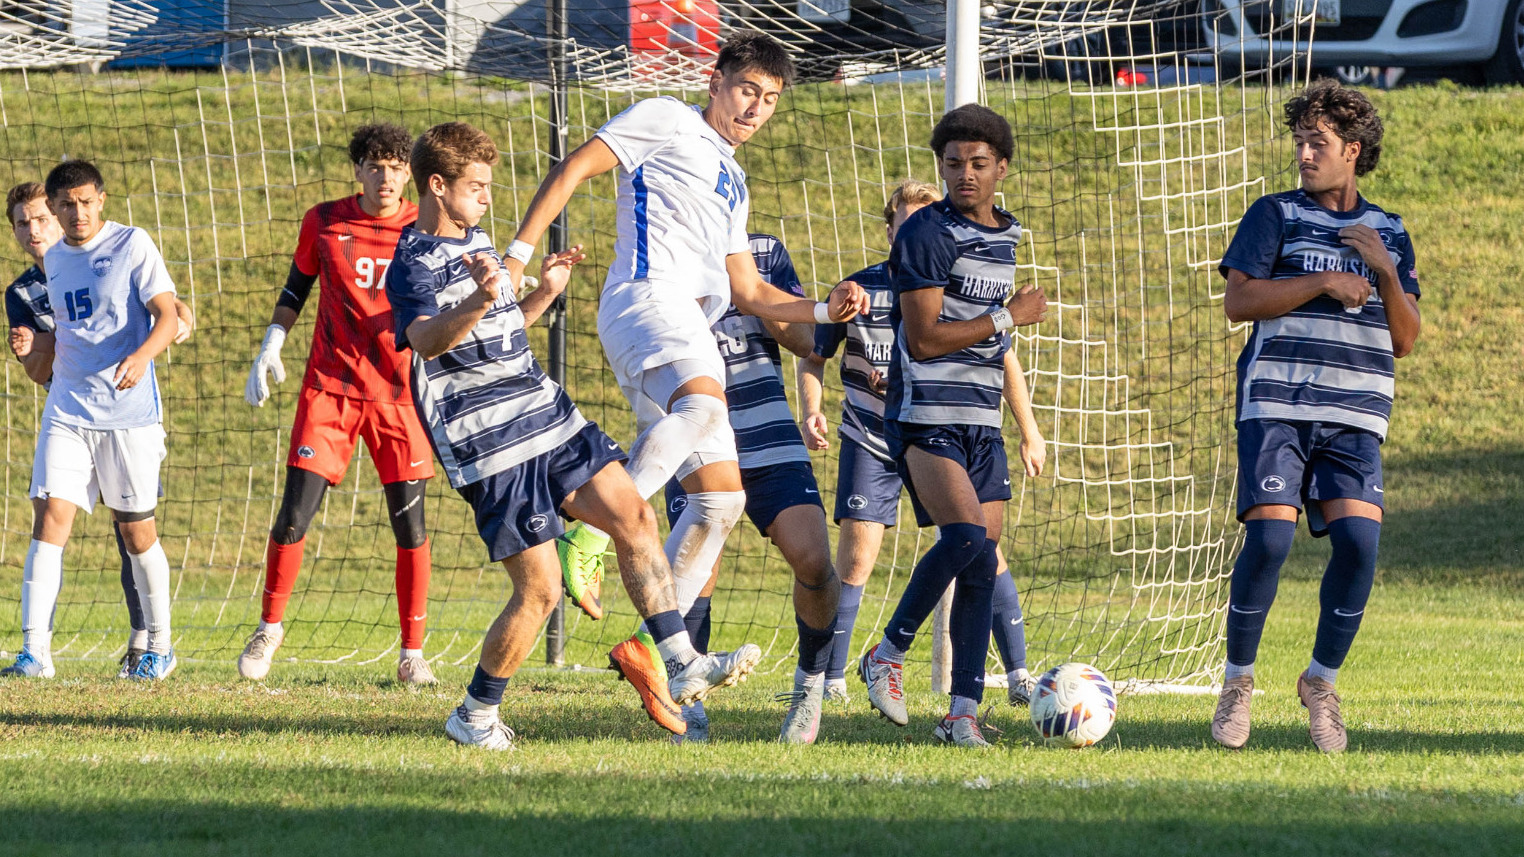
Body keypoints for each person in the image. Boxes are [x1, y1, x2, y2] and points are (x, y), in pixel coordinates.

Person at [494, 31, 864, 683]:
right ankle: (592, 531)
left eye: (770, 99)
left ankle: (670, 656)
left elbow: (749, 290)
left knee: (720, 500)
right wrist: (518, 257)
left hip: (680, 324)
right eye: (747, 89)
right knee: (703, 400)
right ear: (715, 82)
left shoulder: (734, 178)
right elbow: (576, 166)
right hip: (646, 299)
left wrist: (822, 311)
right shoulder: (667, 118)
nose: (756, 108)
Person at [385, 122, 760, 747]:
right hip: (491, 445)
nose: (486, 199)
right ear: (436, 186)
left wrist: (540, 297)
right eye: (475, 187)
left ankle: (679, 659)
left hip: (548, 417)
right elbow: (426, 341)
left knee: (635, 518)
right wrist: (481, 297)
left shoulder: (476, 240)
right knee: (540, 591)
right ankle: (474, 714)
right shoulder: (413, 262)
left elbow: (497, 332)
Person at [1211, 79, 1420, 754]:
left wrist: (1385, 272)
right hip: (1277, 406)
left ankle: (1321, 683)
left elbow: (1407, 337)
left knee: (1361, 546)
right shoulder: (1273, 215)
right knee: (1270, 543)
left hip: (1354, 416)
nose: (1304, 153)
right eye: (1300, 141)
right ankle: (1238, 681)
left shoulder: (1389, 231)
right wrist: (1323, 282)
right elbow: (1239, 302)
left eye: (1318, 143)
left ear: (1353, 151)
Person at [801, 179, 1048, 708]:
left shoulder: (961, 286)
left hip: (963, 426)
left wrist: (1029, 430)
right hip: (875, 436)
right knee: (862, 558)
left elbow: (1003, 358)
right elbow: (814, 353)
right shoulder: (859, 287)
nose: (916, 230)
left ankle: (1008, 681)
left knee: (984, 549)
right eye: (904, 223)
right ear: (890, 229)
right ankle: (834, 677)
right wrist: (811, 409)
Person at [855, 105, 1047, 747]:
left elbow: (990, 344)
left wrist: (1022, 418)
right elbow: (926, 337)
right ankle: (887, 652)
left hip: (980, 423)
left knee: (982, 566)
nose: (965, 175)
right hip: (925, 417)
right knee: (964, 536)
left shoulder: (1006, 235)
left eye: (978, 164)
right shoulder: (926, 234)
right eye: (953, 164)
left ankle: (962, 713)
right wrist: (1007, 319)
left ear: (1002, 169)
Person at [239, 123, 440, 684]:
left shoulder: (427, 225)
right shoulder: (324, 221)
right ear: (358, 170)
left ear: (411, 174)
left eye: (397, 167)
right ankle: (269, 628)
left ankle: (412, 652)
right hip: (331, 389)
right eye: (375, 166)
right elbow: (295, 287)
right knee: (292, 515)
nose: (386, 177)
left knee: (411, 527)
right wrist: (271, 343)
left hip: (402, 395)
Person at [4, 181, 193, 679]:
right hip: (67, 411)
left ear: (101, 200)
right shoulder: (47, 270)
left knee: (136, 534)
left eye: (79, 203)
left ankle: (159, 645)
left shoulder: (131, 243)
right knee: (49, 522)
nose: (70, 214)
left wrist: (150, 345)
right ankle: (34, 653)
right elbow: (64, 341)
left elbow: (169, 313)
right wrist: (32, 346)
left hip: (127, 415)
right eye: (65, 206)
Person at [660, 233, 839, 744]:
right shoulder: (659, 251)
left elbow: (809, 343)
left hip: (769, 434)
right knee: (698, 571)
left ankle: (809, 690)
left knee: (813, 559)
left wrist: (752, 294)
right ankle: (686, 705)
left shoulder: (762, 250)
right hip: (696, 433)